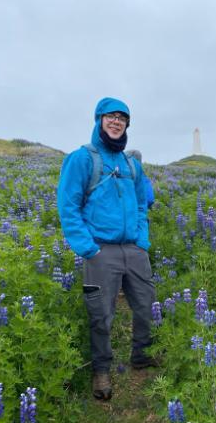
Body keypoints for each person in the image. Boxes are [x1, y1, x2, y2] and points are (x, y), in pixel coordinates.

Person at [57, 97, 156, 401]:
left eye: (122, 118)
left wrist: (142, 238)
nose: (116, 122)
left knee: (147, 307)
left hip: (133, 249)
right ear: (99, 119)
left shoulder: (130, 163)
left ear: (127, 125)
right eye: (111, 116)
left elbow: (143, 201)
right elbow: (67, 205)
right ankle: (101, 370)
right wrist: (87, 247)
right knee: (101, 315)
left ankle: (142, 354)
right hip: (101, 250)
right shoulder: (82, 159)